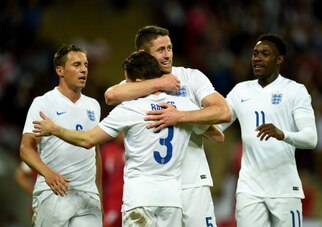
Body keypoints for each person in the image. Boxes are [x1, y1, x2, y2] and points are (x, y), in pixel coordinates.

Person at [33, 50, 225, 226]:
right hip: (172, 201)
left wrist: (56, 130)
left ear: (139, 83)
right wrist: (182, 119)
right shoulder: (183, 106)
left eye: (129, 82)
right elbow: (217, 134)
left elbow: (88, 140)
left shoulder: (130, 109)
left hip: (140, 199)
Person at [104, 25, 231, 227]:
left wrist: (178, 116)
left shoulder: (191, 77)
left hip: (192, 181)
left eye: (169, 48)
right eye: (160, 50)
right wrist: (159, 84)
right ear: (143, 54)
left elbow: (223, 112)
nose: (167, 55)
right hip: (156, 187)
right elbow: (111, 95)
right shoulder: (136, 85)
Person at [219, 33, 318, 227]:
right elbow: (217, 124)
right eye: (255, 53)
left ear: (279, 59)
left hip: (285, 189)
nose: (257, 57)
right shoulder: (240, 91)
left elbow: (311, 138)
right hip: (249, 189)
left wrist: (283, 134)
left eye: (265, 53)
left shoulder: (295, 90)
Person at [19, 44, 103, 227]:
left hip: (87, 196)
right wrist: (48, 174)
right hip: (55, 193)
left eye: (86, 65)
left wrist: (99, 193)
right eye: (76, 65)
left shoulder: (93, 106)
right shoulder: (43, 103)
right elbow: (26, 148)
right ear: (60, 70)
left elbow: (95, 152)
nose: (83, 70)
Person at [101, 133, 125, 227]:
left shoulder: (136, 150)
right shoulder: (107, 150)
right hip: (110, 203)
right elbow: (101, 179)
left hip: (128, 200)